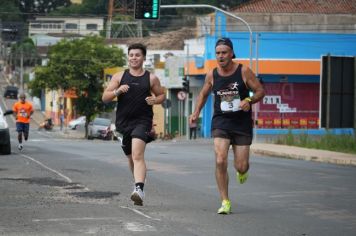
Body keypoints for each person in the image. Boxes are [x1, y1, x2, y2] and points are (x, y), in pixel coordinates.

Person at [189, 38, 265, 214]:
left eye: (224, 52)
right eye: (217, 53)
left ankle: (242, 171)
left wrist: (249, 99)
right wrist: (196, 112)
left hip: (241, 123)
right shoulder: (212, 75)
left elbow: (260, 91)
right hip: (221, 122)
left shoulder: (243, 71)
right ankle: (225, 201)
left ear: (231, 53)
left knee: (241, 165)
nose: (220, 56)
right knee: (220, 159)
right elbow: (203, 94)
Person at [102, 43, 166, 206]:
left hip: (143, 122)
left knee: (137, 155)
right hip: (123, 123)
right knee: (131, 157)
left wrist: (155, 100)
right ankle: (139, 180)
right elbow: (105, 97)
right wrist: (117, 91)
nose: (134, 58)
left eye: (137, 55)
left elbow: (161, 95)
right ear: (128, 57)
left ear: (143, 58)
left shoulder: (151, 78)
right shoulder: (119, 76)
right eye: (131, 55)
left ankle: (139, 189)